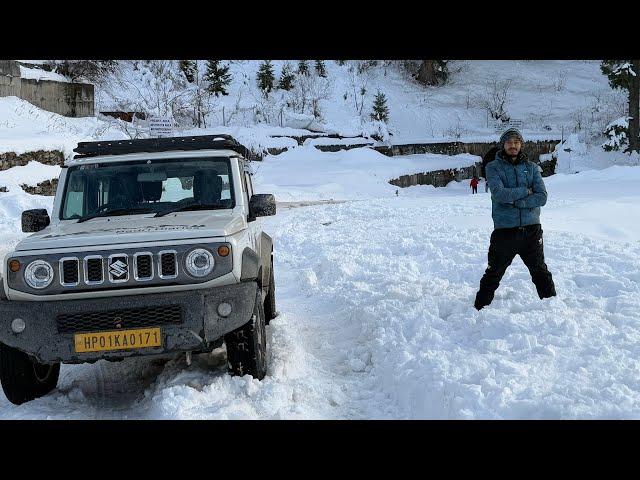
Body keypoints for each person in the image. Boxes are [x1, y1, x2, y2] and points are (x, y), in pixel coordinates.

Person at [474, 128, 556, 310]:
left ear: (521, 145)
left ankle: (552, 308)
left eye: (517, 142)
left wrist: (518, 202)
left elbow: (542, 197)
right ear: (503, 145)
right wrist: (526, 191)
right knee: (493, 272)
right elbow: (499, 194)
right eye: (510, 142)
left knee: (540, 271)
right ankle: (479, 309)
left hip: (532, 231)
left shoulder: (532, 168)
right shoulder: (493, 167)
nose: (513, 145)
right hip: (505, 231)